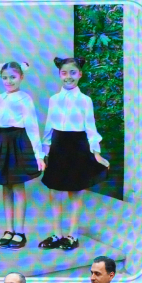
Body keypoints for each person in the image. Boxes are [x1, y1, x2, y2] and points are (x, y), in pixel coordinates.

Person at [38, 56, 109, 250]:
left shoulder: (85, 101)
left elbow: (90, 127)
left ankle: (72, 235)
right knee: (55, 191)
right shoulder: (54, 99)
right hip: (58, 146)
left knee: (74, 191)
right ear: (59, 75)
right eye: (64, 73)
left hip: (77, 147)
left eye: (73, 72)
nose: (68, 76)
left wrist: (96, 152)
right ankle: (57, 234)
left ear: (80, 74)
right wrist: (44, 152)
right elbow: (49, 126)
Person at [0, 61, 44, 250]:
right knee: (6, 186)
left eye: (13, 77)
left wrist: (38, 154)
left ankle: (20, 231)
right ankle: (9, 229)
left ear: (21, 77)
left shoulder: (25, 98)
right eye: (5, 78)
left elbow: (32, 126)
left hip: (18, 141)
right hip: (2, 141)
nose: (9, 81)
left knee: (18, 186)